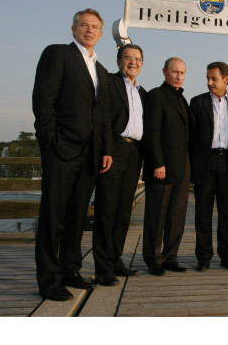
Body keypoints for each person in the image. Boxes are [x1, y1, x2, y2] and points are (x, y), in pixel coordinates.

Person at [32, 8, 113, 301]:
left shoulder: (100, 69)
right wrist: (49, 142)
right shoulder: (58, 54)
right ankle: (48, 279)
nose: (89, 30)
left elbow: (101, 115)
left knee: (77, 216)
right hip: (62, 148)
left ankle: (70, 269)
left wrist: (104, 149)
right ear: (73, 29)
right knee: (53, 215)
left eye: (94, 27)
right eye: (83, 25)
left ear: (101, 34)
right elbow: (43, 101)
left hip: (90, 154)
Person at [92, 44, 147, 286]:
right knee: (107, 210)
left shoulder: (142, 92)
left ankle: (115, 259)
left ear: (142, 64)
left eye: (137, 59)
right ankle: (102, 268)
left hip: (134, 153)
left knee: (124, 210)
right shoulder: (109, 83)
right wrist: (105, 149)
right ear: (118, 62)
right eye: (127, 58)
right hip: (113, 150)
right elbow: (101, 119)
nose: (133, 62)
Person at [190, 62, 228, 272]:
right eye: (208, 78)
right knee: (202, 213)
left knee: (226, 213)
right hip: (205, 163)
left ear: (226, 79)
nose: (209, 82)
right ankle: (203, 257)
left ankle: (227, 255)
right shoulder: (197, 102)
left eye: (214, 78)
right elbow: (191, 138)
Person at [142, 57, 193, 275]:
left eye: (182, 72)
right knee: (157, 215)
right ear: (164, 72)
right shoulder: (156, 95)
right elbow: (151, 133)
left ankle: (171, 257)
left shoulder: (183, 99)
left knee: (176, 215)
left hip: (182, 167)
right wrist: (157, 163)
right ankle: (154, 259)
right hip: (162, 167)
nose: (179, 76)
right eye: (175, 72)